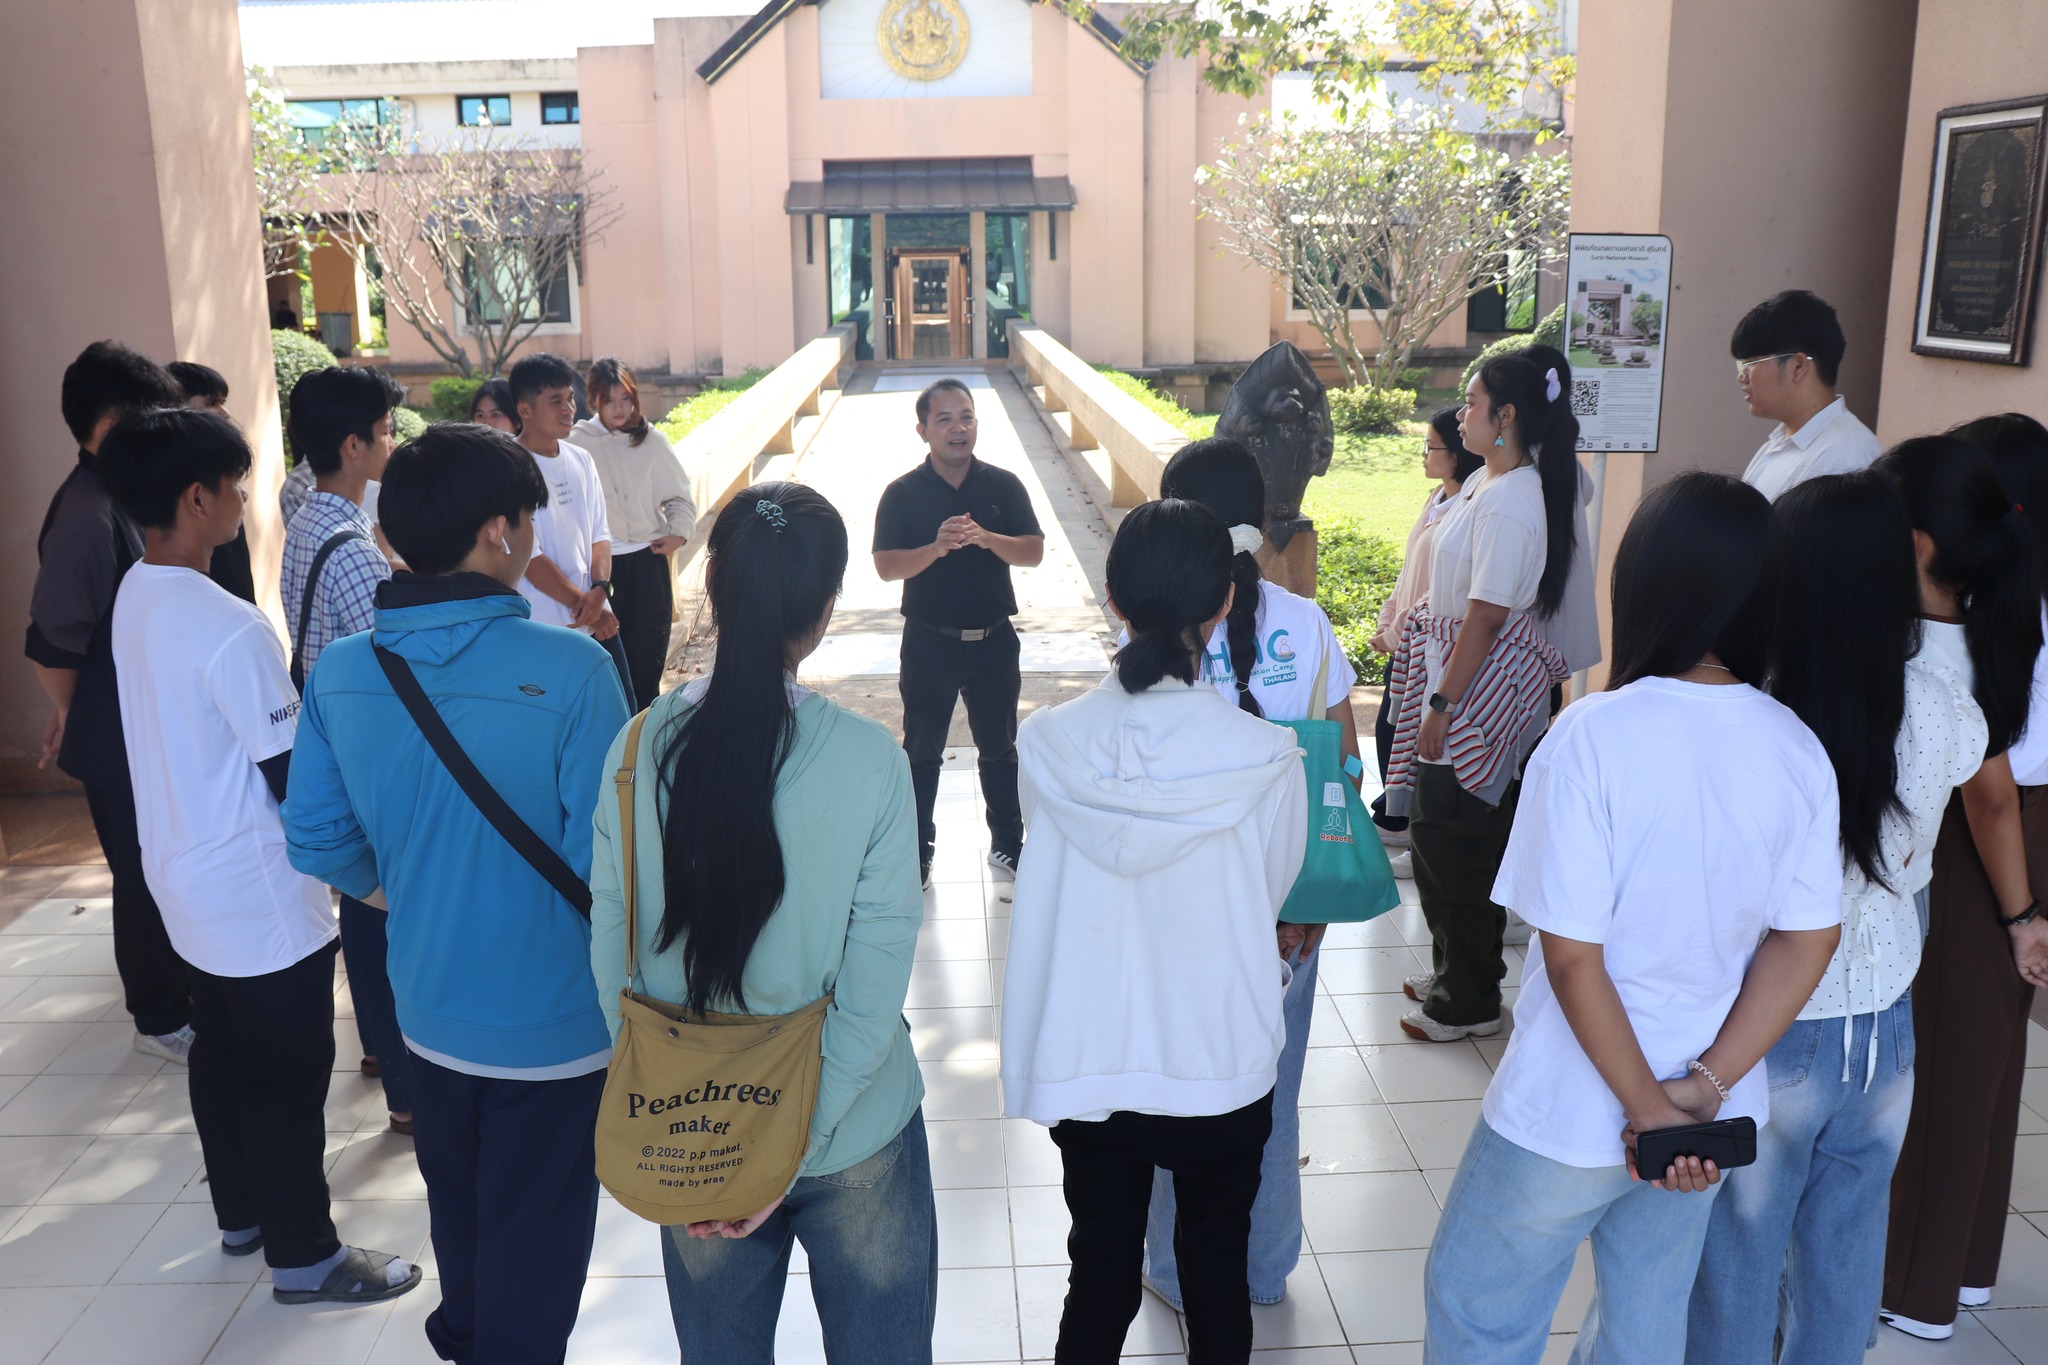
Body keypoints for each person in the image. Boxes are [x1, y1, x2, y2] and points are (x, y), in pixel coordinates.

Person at [1422, 472, 1844, 1364]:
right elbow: (1810, 936)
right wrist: (1702, 1091)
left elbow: (1573, 958)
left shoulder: (1592, 734)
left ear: (1645, 584)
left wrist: (1648, 1111)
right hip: (1701, 1113)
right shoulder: (1796, 747)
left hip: (1571, 1107)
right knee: (1644, 1326)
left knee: (1480, 1306)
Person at [284, 423, 628, 1360]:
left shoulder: (344, 670)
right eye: (529, 520)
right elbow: (610, 866)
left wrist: (415, 890)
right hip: (555, 1030)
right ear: (497, 531)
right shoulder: (574, 669)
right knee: (537, 1245)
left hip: (427, 1017)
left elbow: (314, 836)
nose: (533, 537)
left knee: (464, 1216)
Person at [589, 481, 934, 1364]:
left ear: (715, 586)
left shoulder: (635, 748)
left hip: (694, 1130)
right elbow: (875, 979)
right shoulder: (870, 761)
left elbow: (610, 950)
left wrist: (672, 1094)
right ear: (823, 610)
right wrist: (793, 1143)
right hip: (853, 1127)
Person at [98, 406, 419, 1306]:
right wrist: (371, 874)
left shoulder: (137, 593)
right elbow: (294, 781)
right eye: (236, 487)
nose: (245, 501)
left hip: (182, 878)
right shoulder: (230, 627)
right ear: (196, 498)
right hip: (257, 895)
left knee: (222, 1049)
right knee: (286, 1073)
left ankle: (241, 1214)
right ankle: (307, 1256)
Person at [1688, 472, 1987, 1363]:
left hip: (1773, 1022)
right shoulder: (1937, 701)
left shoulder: (1761, 708)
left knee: (1741, 1253)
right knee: (1847, 1253)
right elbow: (1969, 756)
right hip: (1886, 1024)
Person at [1002, 498, 1307, 1364]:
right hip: (1219, 1054)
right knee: (1216, 1277)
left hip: (1090, 1052)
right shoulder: (1264, 756)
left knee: (1098, 1274)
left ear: (1114, 598)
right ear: (1225, 602)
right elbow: (1270, 889)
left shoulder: (1047, 743)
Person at [1130, 438, 1358, 1314]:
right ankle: (1263, 1267)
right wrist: (1311, 905)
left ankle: (1175, 1266)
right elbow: (1342, 769)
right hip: (1288, 910)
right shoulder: (1309, 624)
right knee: (1274, 1092)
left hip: (1183, 910)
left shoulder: (1156, 635)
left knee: (1175, 1089)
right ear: (1261, 520)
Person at [1877, 434, 2048, 1339]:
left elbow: (1990, 795)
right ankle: (1966, 1266)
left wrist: (2019, 913)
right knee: (1989, 1058)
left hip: (1981, 842)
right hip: (2015, 836)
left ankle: (1916, 1284)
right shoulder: (2011, 606)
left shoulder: (1963, 635)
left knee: (1949, 1059)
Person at [1380, 354, 1577, 1042]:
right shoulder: (1487, 483)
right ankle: (1463, 971)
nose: (1461, 414)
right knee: (1444, 838)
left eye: (1471, 402)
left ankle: (1467, 1000)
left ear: (1507, 416)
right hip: (1460, 676)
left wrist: (1441, 705)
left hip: (1476, 694)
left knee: (1452, 841)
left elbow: (1487, 615)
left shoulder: (1513, 499)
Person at [25, 341, 193, 1064]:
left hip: (140, 727)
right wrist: (76, 710)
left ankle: (180, 994)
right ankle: (158, 1017)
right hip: (118, 738)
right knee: (140, 872)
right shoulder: (86, 515)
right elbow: (53, 647)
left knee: (162, 865)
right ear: (112, 425)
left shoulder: (121, 496)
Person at [279, 365, 411, 1136]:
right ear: (354, 444)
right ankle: (403, 1083)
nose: (393, 443)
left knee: (361, 906)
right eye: (387, 431)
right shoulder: (356, 550)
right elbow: (387, 669)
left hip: (332, 734)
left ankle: (375, 1047)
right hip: (369, 751)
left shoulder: (307, 520)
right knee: (374, 911)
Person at [873, 378, 1045, 888]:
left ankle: (1009, 844)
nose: (958, 428)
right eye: (944, 419)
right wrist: (936, 548)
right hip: (929, 643)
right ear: (923, 430)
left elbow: (1034, 552)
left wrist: (989, 539)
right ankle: (917, 852)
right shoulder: (902, 493)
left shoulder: (1004, 485)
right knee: (921, 751)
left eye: (966, 416)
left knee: (1001, 747)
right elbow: (886, 566)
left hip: (994, 641)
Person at [1368, 409, 1483, 876]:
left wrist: (1398, 632)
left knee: (1409, 735)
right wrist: (1388, 622)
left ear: (1455, 456)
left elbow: (1440, 591)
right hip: (1404, 640)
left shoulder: (1467, 512)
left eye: (1431, 447)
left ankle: (1410, 827)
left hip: (1428, 644)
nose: (1423, 455)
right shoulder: (1437, 499)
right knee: (1391, 727)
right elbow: (1408, 573)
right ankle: (1399, 817)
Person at [508, 353, 635, 708]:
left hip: (597, 618)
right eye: (555, 401)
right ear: (525, 409)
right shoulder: (509, 467)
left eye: (569, 398)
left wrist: (600, 589)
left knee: (622, 712)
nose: (568, 409)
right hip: (544, 628)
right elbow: (528, 558)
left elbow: (600, 535)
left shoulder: (580, 459)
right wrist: (586, 604)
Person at [573, 357, 695, 706]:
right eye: (609, 400)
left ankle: (644, 733)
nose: (619, 408)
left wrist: (679, 533)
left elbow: (679, 497)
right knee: (606, 668)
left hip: (647, 563)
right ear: (594, 400)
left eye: (625, 398)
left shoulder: (652, 441)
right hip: (599, 571)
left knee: (648, 665)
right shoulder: (576, 443)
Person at [1731, 290, 1881, 502]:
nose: (1742, 377)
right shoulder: (1780, 443)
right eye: (1742, 365)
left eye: (1750, 363)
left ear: (1798, 366)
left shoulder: (1843, 457)